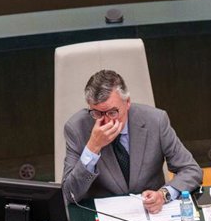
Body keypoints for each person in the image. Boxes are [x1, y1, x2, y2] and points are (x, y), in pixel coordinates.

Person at [61, 69, 202, 212]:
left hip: (150, 214)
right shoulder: (76, 128)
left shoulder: (155, 121)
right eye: (97, 113)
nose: (106, 121)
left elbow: (191, 170)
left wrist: (163, 195)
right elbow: (69, 194)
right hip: (102, 217)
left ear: (127, 102)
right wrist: (92, 147)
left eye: (112, 112)